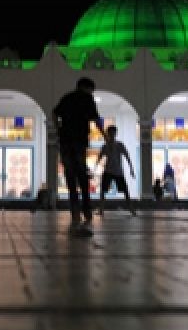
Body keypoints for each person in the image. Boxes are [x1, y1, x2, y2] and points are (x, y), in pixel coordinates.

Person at [53, 76, 102, 237]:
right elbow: (95, 119)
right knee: (82, 174)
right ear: (85, 88)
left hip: (65, 140)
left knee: (70, 174)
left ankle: (75, 211)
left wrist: (57, 128)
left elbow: (55, 113)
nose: (91, 92)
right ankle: (86, 209)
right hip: (79, 140)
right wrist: (104, 135)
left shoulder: (66, 98)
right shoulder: (87, 98)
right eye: (91, 89)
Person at [95, 125, 136, 216]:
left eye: (113, 133)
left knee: (125, 191)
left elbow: (127, 156)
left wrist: (131, 169)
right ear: (108, 134)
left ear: (115, 134)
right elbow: (100, 156)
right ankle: (101, 209)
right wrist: (95, 167)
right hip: (108, 171)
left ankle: (131, 209)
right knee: (103, 190)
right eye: (110, 133)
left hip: (118, 172)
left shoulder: (119, 145)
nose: (112, 135)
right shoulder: (105, 146)